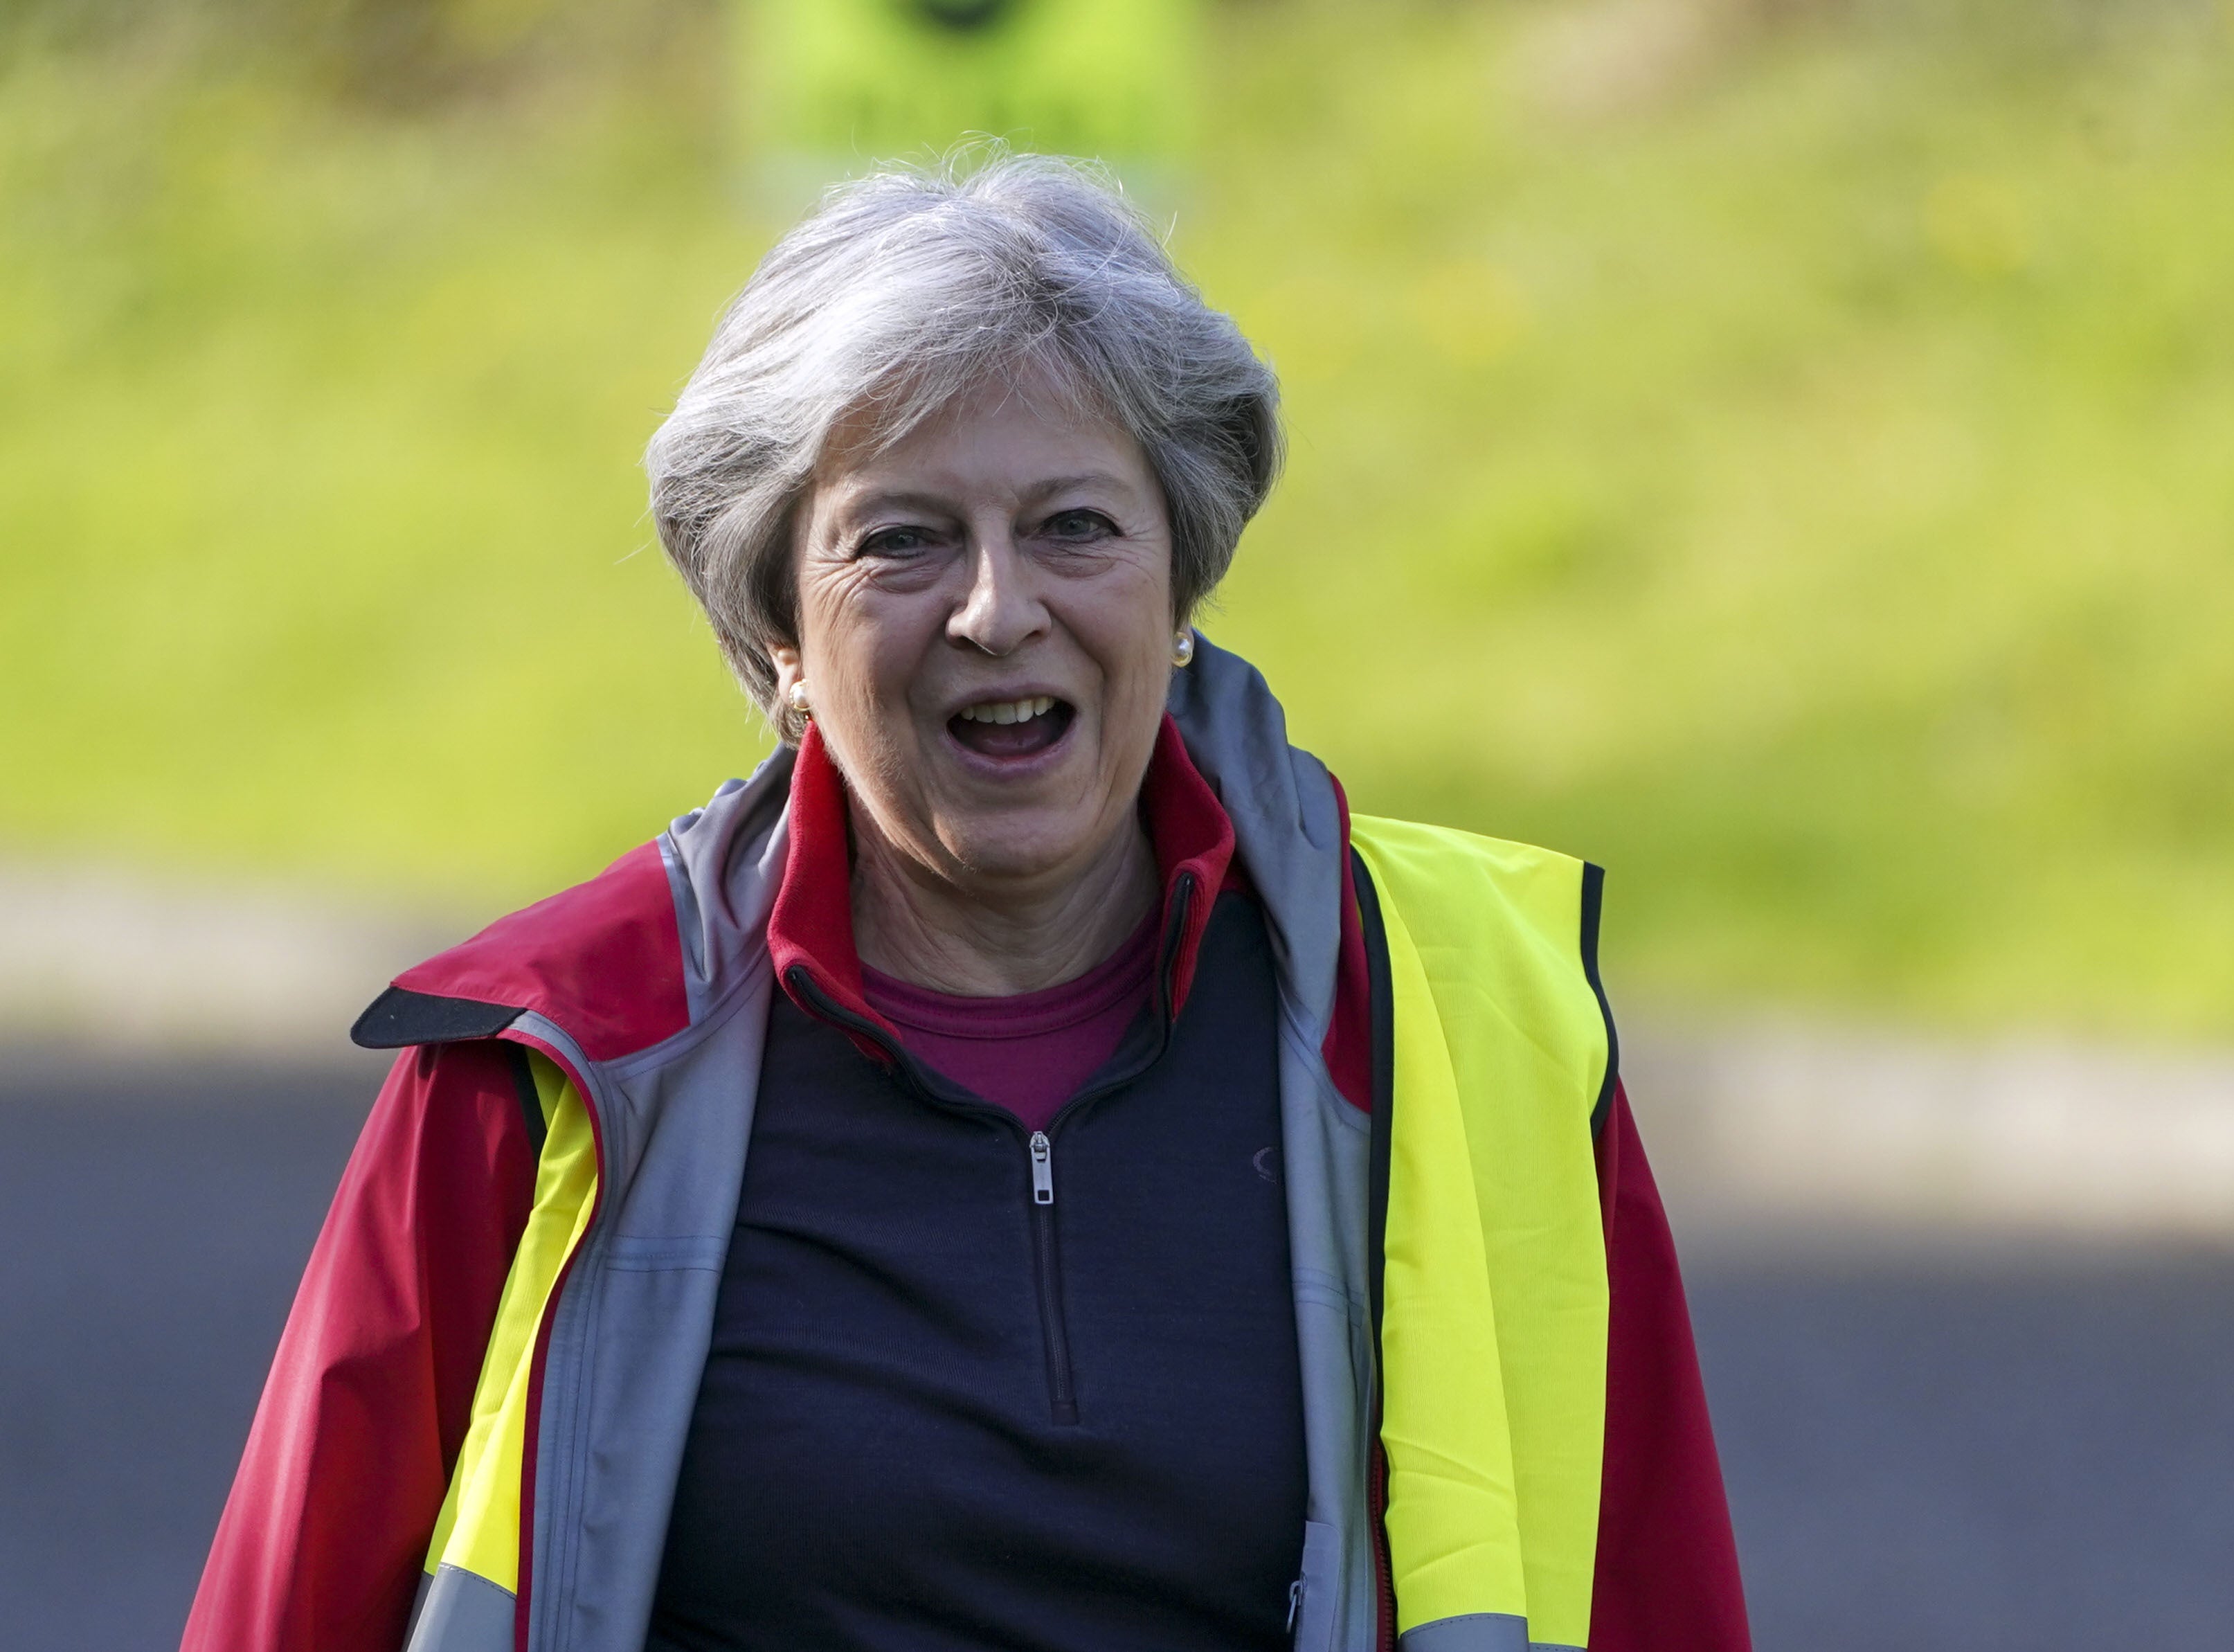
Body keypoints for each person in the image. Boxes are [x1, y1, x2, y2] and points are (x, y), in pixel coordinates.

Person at [184, 154, 1749, 1652]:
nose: (999, 611)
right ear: (779, 630)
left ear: (1176, 581)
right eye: (903, 540)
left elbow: (1656, 1590)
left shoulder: (1469, 1014)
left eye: (1074, 525)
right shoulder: (546, 1062)